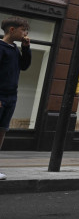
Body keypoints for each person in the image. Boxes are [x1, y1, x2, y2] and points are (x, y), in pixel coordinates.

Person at [0, 17, 31, 181]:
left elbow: (24, 66)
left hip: (11, 95)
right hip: (1, 95)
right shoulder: (1, 47)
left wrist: (26, 48)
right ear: (12, 30)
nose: (25, 34)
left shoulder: (15, 49)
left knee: (2, 130)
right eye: (23, 30)